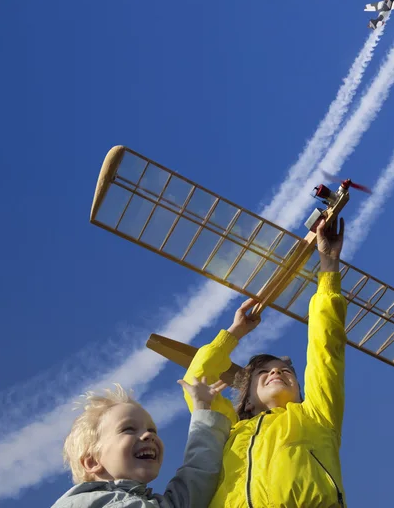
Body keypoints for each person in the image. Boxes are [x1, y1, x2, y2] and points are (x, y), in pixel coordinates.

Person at [182, 217, 348, 507]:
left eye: (286, 371)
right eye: (263, 371)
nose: (276, 371)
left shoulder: (317, 414)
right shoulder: (226, 431)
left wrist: (329, 267)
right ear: (245, 399)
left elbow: (326, 348)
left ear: (300, 389)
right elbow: (197, 380)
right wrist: (233, 333)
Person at [52, 377, 231, 508]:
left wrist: (202, 408)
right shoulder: (80, 503)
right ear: (92, 461)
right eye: (128, 429)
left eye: (152, 430)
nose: (148, 435)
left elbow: (196, 476)